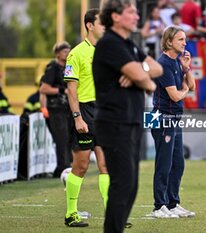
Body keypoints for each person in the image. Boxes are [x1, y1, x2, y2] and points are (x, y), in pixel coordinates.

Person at [92, 0, 163, 232]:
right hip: (114, 123)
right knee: (122, 185)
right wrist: (140, 74)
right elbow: (147, 80)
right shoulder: (110, 44)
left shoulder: (128, 45)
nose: (136, 17)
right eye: (131, 12)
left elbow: (157, 69)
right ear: (115, 16)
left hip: (130, 121)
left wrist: (137, 72)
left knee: (130, 186)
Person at [63, 8, 108, 228]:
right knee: (80, 166)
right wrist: (77, 118)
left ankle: (112, 214)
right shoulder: (76, 53)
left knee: (106, 165)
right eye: (102, 23)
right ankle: (71, 213)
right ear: (90, 25)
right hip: (85, 111)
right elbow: (72, 90)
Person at [151, 25, 196, 218]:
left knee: (178, 164)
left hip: (174, 119)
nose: (185, 43)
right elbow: (176, 96)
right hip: (161, 118)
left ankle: (172, 203)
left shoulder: (177, 62)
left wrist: (187, 69)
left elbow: (191, 85)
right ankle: (158, 206)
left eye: (184, 39)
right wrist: (184, 90)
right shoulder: (163, 64)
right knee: (164, 163)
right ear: (169, 42)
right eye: (180, 39)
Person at [40, 41, 72, 178]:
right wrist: (62, 90)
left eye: (69, 50)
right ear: (57, 54)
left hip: (67, 109)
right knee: (61, 138)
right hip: (56, 109)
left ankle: (66, 166)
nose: (68, 53)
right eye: (65, 51)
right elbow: (44, 88)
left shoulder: (69, 67)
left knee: (69, 138)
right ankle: (62, 168)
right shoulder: (53, 67)